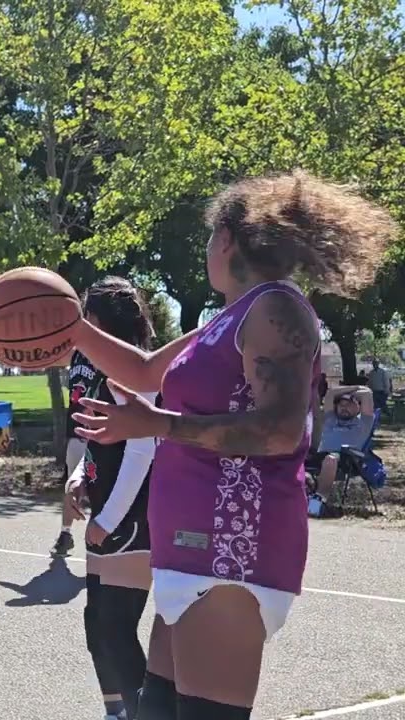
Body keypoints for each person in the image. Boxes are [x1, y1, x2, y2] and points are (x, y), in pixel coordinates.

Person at [71, 170, 398, 719]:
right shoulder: (231, 317)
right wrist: (71, 329)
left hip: (231, 550)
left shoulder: (276, 311)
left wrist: (159, 425)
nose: (205, 252)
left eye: (207, 241)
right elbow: (146, 369)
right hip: (191, 551)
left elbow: (278, 430)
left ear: (226, 239)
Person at [65, 278, 158, 720]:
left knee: (118, 631)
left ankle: (142, 714)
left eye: (85, 315)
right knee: (98, 627)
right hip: (108, 513)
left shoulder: (132, 373)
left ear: (98, 322)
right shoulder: (106, 371)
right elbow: (103, 441)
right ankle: (116, 712)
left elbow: (143, 449)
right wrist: (81, 475)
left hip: (132, 519)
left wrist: (110, 519)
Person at [53, 347, 96, 556]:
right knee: (71, 485)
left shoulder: (107, 350)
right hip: (76, 429)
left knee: (100, 486)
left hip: (99, 431)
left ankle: (101, 536)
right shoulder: (77, 352)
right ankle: (65, 533)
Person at [307, 389, 375, 516]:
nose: (344, 408)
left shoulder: (364, 422)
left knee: (330, 459)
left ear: (358, 407)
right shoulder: (331, 419)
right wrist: (350, 391)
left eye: (349, 404)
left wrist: (352, 390)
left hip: (349, 458)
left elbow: (367, 394)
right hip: (322, 456)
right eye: (341, 405)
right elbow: (330, 394)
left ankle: (317, 503)